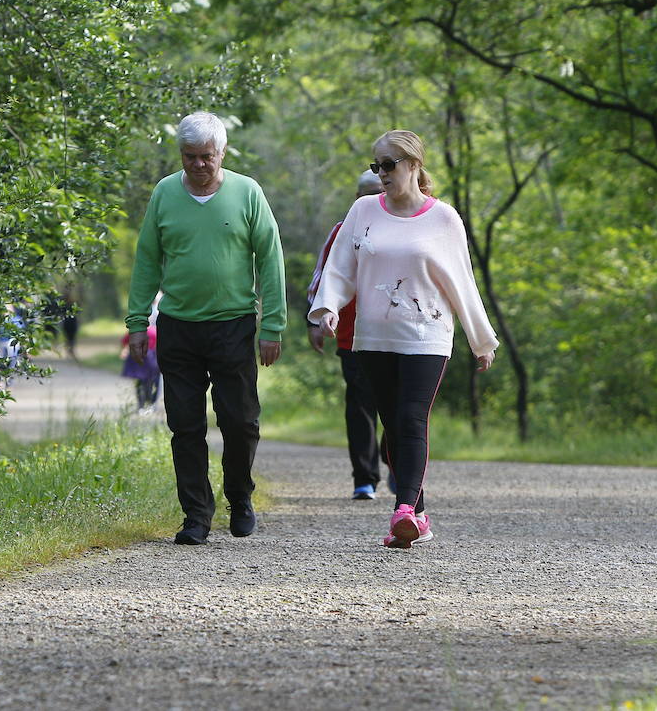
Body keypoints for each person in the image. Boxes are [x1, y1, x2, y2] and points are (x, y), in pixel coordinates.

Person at [309, 129, 498, 549]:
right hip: (373, 336)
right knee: (393, 424)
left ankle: (405, 510)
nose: (382, 174)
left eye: (389, 165)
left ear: (414, 164)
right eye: (376, 166)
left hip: (427, 336)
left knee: (411, 418)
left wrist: (481, 339)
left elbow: (462, 283)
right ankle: (419, 513)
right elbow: (340, 268)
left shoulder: (444, 219)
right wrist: (327, 308)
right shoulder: (363, 211)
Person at [126, 111, 286, 546]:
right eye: (189, 156)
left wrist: (272, 325)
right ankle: (196, 515)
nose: (198, 165)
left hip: (232, 325)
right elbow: (146, 262)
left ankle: (240, 496)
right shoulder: (164, 194)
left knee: (239, 422)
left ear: (222, 153)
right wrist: (138, 322)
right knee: (185, 426)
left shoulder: (247, 192)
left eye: (206, 157)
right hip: (178, 326)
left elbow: (270, 260)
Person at [306, 168, 388, 500]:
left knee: (397, 405)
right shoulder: (341, 231)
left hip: (397, 333)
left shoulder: (406, 226)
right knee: (360, 405)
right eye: (364, 195)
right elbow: (322, 276)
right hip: (352, 334)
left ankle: (395, 464)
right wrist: (315, 319)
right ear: (356, 199)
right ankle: (364, 477)